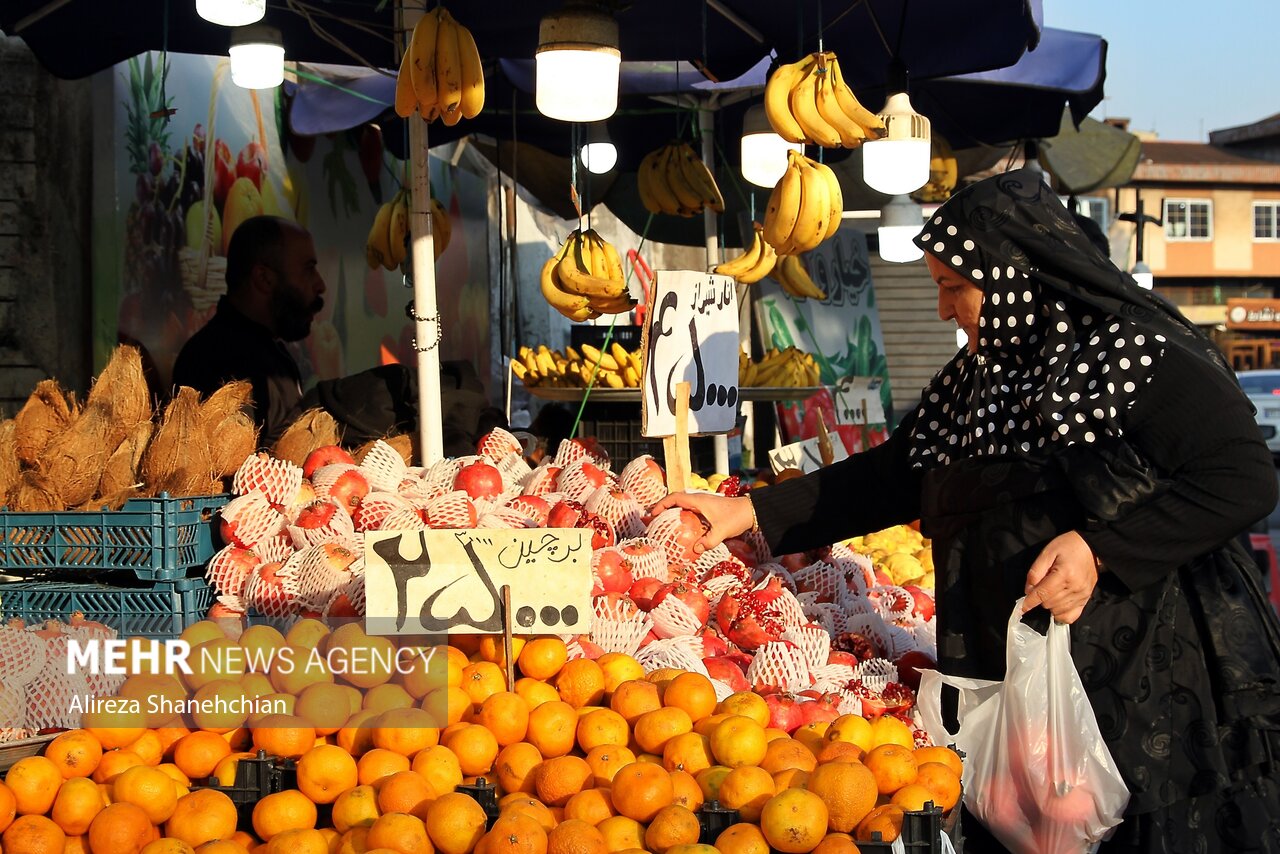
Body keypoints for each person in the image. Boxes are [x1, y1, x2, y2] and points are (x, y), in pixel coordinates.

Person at [654, 169, 1280, 851]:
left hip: (1140, 685)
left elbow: (1242, 476)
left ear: (1016, 278)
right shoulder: (976, 379)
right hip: (1019, 681)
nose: (943, 310)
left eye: (955, 287)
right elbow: (896, 475)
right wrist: (749, 514)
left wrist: (1101, 551)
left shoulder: (1129, 354)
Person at [172, 215, 325, 445]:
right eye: (309, 269)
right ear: (264, 279)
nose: (320, 285)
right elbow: (234, 459)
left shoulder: (270, 351)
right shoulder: (213, 360)